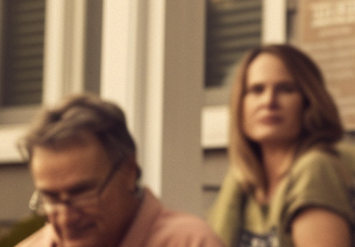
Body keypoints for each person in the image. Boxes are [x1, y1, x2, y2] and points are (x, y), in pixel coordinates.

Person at [209, 44, 355, 247]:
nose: (269, 101)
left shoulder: (315, 170)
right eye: (257, 90)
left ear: (309, 101)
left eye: (285, 89)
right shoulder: (243, 184)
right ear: (240, 104)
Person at [17, 93, 223, 247]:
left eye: (82, 193)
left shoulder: (192, 242)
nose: (66, 217)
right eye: (51, 198)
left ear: (129, 171)